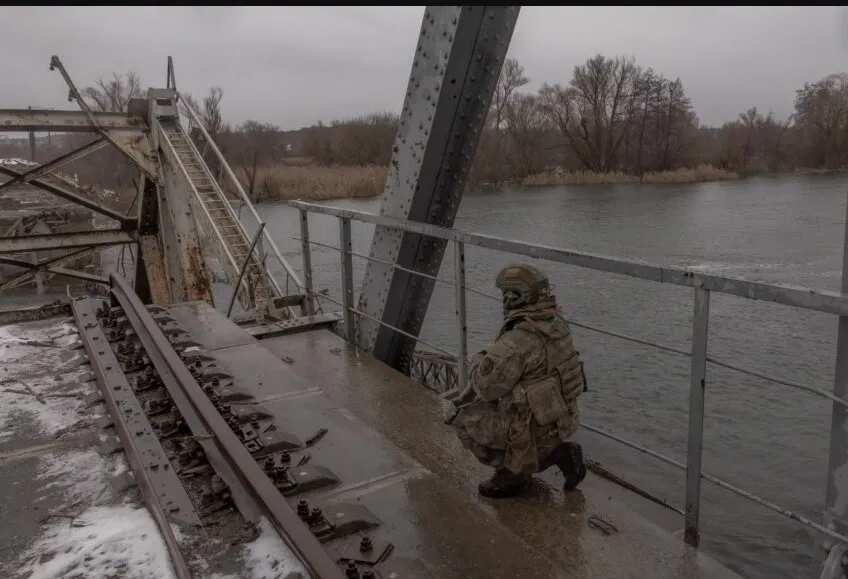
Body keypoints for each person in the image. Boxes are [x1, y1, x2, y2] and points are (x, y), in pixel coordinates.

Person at [444, 263, 588, 498]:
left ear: (514, 297)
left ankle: (514, 474)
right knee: (517, 408)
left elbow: (486, 387)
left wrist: (479, 360)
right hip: (564, 421)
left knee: (457, 414)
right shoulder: (557, 322)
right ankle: (559, 453)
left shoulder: (518, 340)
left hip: (535, 430)